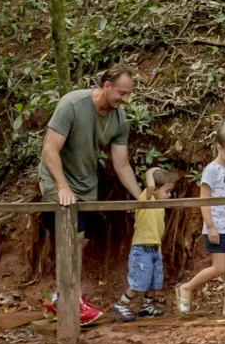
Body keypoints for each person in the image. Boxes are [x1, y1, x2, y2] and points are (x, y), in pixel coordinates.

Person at [33, 64, 143, 292]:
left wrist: (142, 197)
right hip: (57, 178)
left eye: (129, 94)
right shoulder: (72, 104)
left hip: (86, 181)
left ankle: (66, 297)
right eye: (121, 93)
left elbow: (121, 164)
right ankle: (67, 299)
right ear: (106, 86)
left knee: (82, 240)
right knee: (74, 236)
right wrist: (62, 187)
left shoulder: (120, 119)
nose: (125, 99)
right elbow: (49, 150)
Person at [179, 122, 225, 317]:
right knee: (219, 268)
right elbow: (204, 200)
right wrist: (210, 226)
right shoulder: (211, 170)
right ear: (219, 148)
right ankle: (187, 287)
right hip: (218, 227)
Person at [120, 166, 178, 321]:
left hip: (153, 248)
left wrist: (159, 248)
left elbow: (156, 231)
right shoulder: (147, 198)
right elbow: (150, 185)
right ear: (156, 189)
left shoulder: (159, 207)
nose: (169, 195)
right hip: (141, 248)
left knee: (154, 280)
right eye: (167, 191)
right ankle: (122, 304)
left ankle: (147, 307)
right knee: (140, 279)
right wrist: (150, 171)